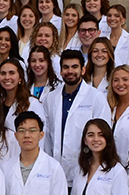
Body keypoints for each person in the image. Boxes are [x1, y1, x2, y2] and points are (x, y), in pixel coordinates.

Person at [44, 50, 108, 185]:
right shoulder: (51, 98)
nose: (70, 71)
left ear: (83, 70)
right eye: (66, 67)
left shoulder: (96, 97)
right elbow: (47, 136)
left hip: (85, 170)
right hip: (55, 170)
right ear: (60, 72)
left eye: (74, 67)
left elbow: (103, 136)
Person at [0, 59, 45, 130]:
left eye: (12, 73)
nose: (7, 77)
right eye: (3, 73)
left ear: (20, 78)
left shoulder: (32, 104)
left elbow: (40, 134)